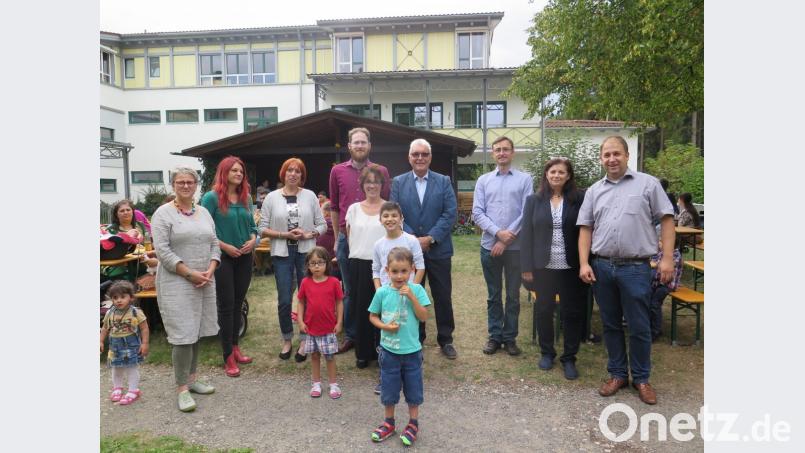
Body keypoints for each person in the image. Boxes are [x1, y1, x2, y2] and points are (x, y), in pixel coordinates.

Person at [577, 136, 675, 405]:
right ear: (601, 158)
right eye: (607, 155)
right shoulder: (594, 191)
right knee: (610, 325)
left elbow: (667, 220)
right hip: (602, 267)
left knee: (639, 326)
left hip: (635, 268)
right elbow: (585, 228)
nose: (612, 159)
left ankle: (641, 379)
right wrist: (584, 262)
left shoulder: (648, 184)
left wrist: (667, 258)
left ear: (627, 155)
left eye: (616, 153)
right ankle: (617, 374)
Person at [151, 167, 220, 412]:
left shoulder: (203, 212)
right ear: (173, 185)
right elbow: (162, 251)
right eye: (180, 182)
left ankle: (192, 379)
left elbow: (214, 242)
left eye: (190, 182)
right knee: (182, 335)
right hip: (177, 282)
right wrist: (189, 273)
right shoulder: (163, 214)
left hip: (204, 280)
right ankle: (181, 388)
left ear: (196, 185)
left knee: (196, 330)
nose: (186, 186)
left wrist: (210, 269)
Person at [391, 138, 458, 360]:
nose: (420, 158)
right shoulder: (398, 182)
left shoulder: (443, 181)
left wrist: (430, 238)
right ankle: (416, 339)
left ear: (430, 157)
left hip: (438, 250)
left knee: (442, 296)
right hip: (408, 254)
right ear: (409, 157)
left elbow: (450, 213)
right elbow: (395, 213)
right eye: (416, 154)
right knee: (412, 294)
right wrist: (414, 240)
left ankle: (446, 339)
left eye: (424, 154)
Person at [520, 157, 588, 379]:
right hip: (543, 267)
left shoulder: (579, 199)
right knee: (543, 310)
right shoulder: (533, 201)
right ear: (546, 175)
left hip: (571, 267)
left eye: (561, 172)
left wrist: (586, 263)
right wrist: (526, 266)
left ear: (568, 176)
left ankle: (569, 357)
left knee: (572, 313)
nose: (556, 175)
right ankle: (547, 352)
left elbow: (587, 230)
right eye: (552, 172)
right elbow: (526, 234)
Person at [329, 127, 391, 354]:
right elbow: (334, 207)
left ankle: (378, 334)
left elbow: (387, 205)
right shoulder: (337, 171)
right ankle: (352, 335)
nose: (360, 146)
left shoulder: (380, 171)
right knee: (351, 290)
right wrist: (337, 239)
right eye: (356, 142)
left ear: (369, 146)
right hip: (347, 239)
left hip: (377, 239)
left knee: (379, 288)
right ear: (349, 146)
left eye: (363, 142)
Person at [259, 158, 326, 362]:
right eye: (290, 170)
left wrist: (309, 234)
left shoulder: (310, 196)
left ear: (302, 175)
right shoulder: (271, 198)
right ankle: (287, 339)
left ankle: (305, 340)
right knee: (284, 299)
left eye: (298, 171)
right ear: (284, 173)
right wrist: (284, 235)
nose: (293, 174)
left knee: (306, 297)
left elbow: (322, 224)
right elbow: (262, 228)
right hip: (282, 252)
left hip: (306, 253)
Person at [472, 136, 533, 357]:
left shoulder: (525, 179)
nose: (502, 153)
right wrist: (498, 234)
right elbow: (477, 212)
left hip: (516, 249)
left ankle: (510, 338)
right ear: (493, 153)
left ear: (512, 152)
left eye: (506, 149)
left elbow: (527, 211)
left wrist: (506, 239)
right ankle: (495, 336)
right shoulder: (483, 181)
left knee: (513, 296)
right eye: (497, 149)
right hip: (489, 247)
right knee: (494, 295)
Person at [200, 156, 257, 378]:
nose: (238, 174)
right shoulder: (211, 198)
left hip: (244, 257)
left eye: (241, 171)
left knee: (238, 304)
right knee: (226, 305)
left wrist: (253, 240)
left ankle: (235, 347)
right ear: (224, 172)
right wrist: (225, 246)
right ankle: (227, 356)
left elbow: (253, 226)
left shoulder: (246, 197)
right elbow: (205, 230)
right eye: (234, 170)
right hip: (222, 258)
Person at [368, 247, 431, 447]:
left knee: (414, 391)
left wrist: (412, 296)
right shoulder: (382, 292)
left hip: (412, 352)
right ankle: (389, 422)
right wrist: (385, 326)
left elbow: (424, 316)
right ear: (387, 271)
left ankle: (413, 423)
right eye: (395, 271)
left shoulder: (417, 290)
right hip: (389, 352)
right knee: (389, 390)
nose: (399, 276)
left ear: (412, 270)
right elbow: (372, 316)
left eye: (404, 271)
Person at [345, 165, 388, 369]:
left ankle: (382, 351)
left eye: (376, 182)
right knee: (362, 309)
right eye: (368, 182)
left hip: (384, 266)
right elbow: (350, 236)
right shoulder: (353, 209)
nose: (372, 185)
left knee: (383, 309)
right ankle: (363, 353)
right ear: (362, 185)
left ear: (382, 185)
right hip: (359, 265)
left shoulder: (390, 208)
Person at [297, 247, 344, 399]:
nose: (317, 266)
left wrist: (339, 322)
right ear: (308, 265)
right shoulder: (305, 282)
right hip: (311, 328)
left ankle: (333, 384)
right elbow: (301, 302)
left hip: (329, 328)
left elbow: (339, 302)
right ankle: (316, 383)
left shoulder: (334, 282)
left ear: (327, 264)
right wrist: (300, 320)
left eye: (320, 262)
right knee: (315, 356)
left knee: (329, 357)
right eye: (313, 263)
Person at [100, 281, 150, 406]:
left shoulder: (135, 312)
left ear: (131, 297)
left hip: (131, 345)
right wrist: (100, 340)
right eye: (115, 297)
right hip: (115, 346)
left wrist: (145, 343)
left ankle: (133, 390)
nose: (119, 300)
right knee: (116, 368)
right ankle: (117, 388)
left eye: (123, 297)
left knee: (131, 368)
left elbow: (144, 328)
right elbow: (105, 328)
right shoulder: (110, 313)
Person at [372, 201, 425, 289]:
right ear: (380, 220)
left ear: (401, 219)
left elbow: (420, 267)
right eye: (386, 216)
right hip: (386, 291)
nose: (390, 219)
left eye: (394, 215)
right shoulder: (378, 244)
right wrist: (379, 291)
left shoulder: (412, 240)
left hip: (407, 290)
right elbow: (376, 270)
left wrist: (412, 289)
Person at [649, 239, 683, 342]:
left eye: (661, 241)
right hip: (656, 283)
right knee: (647, 300)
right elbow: (651, 262)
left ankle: (655, 331)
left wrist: (654, 265)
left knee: (654, 304)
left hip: (667, 285)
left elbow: (659, 268)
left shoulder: (675, 255)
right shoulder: (659, 252)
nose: (658, 243)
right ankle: (651, 327)